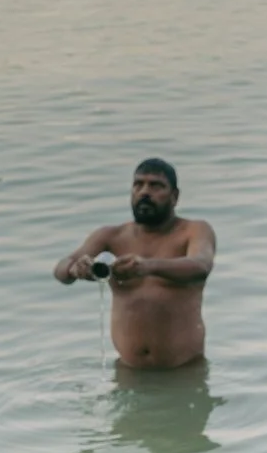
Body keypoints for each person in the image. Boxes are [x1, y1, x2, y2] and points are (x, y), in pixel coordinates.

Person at [53, 158, 215, 369]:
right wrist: (76, 270)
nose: (145, 192)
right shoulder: (110, 236)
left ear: (175, 196)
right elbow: (60, 269)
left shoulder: (194, 231)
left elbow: (200, 266)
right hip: (129, 373)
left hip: (184, 373)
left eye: (156, 185)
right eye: (138, 184)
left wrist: (147, 267)